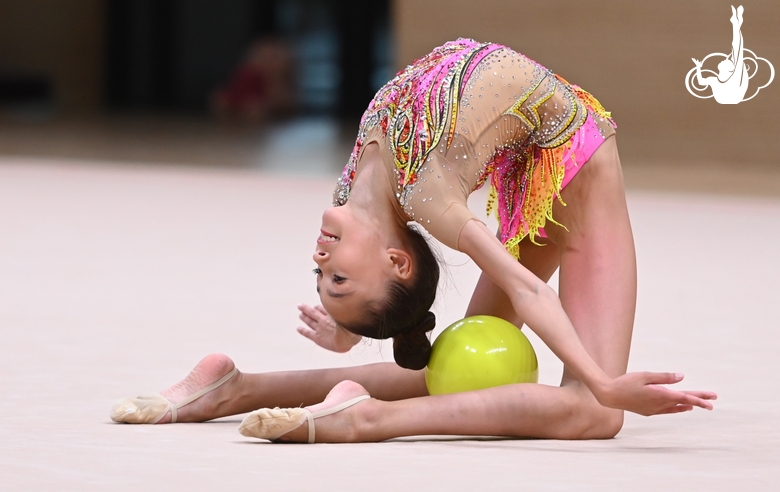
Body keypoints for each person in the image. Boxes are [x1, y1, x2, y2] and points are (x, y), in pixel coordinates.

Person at [111, 39, 716, 442]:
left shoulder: (362, 190)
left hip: (553, 155)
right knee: (589, 411)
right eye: (335, 278)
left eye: (322, 278)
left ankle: (246, 391)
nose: (320, 263)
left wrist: (349, 327)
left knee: (490, 382)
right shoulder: (410, 196)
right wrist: (607, 386)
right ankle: (350, 414)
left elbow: (511, 289)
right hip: (562, 160)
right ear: (398, 261)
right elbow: (522, 288)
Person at [692, 5, 748, 104]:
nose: (724, 59)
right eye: (727, 60)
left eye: (726, 61)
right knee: (737, 52)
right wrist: (698, 67)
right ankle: (736, 23)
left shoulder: (730, 78)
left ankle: (736, 23)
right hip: (730, 97)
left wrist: (698, 68)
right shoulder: (716, 80)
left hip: (731, 96)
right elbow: (700, 82)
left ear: (729, 69)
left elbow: (737, 49)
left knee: (737, 51)